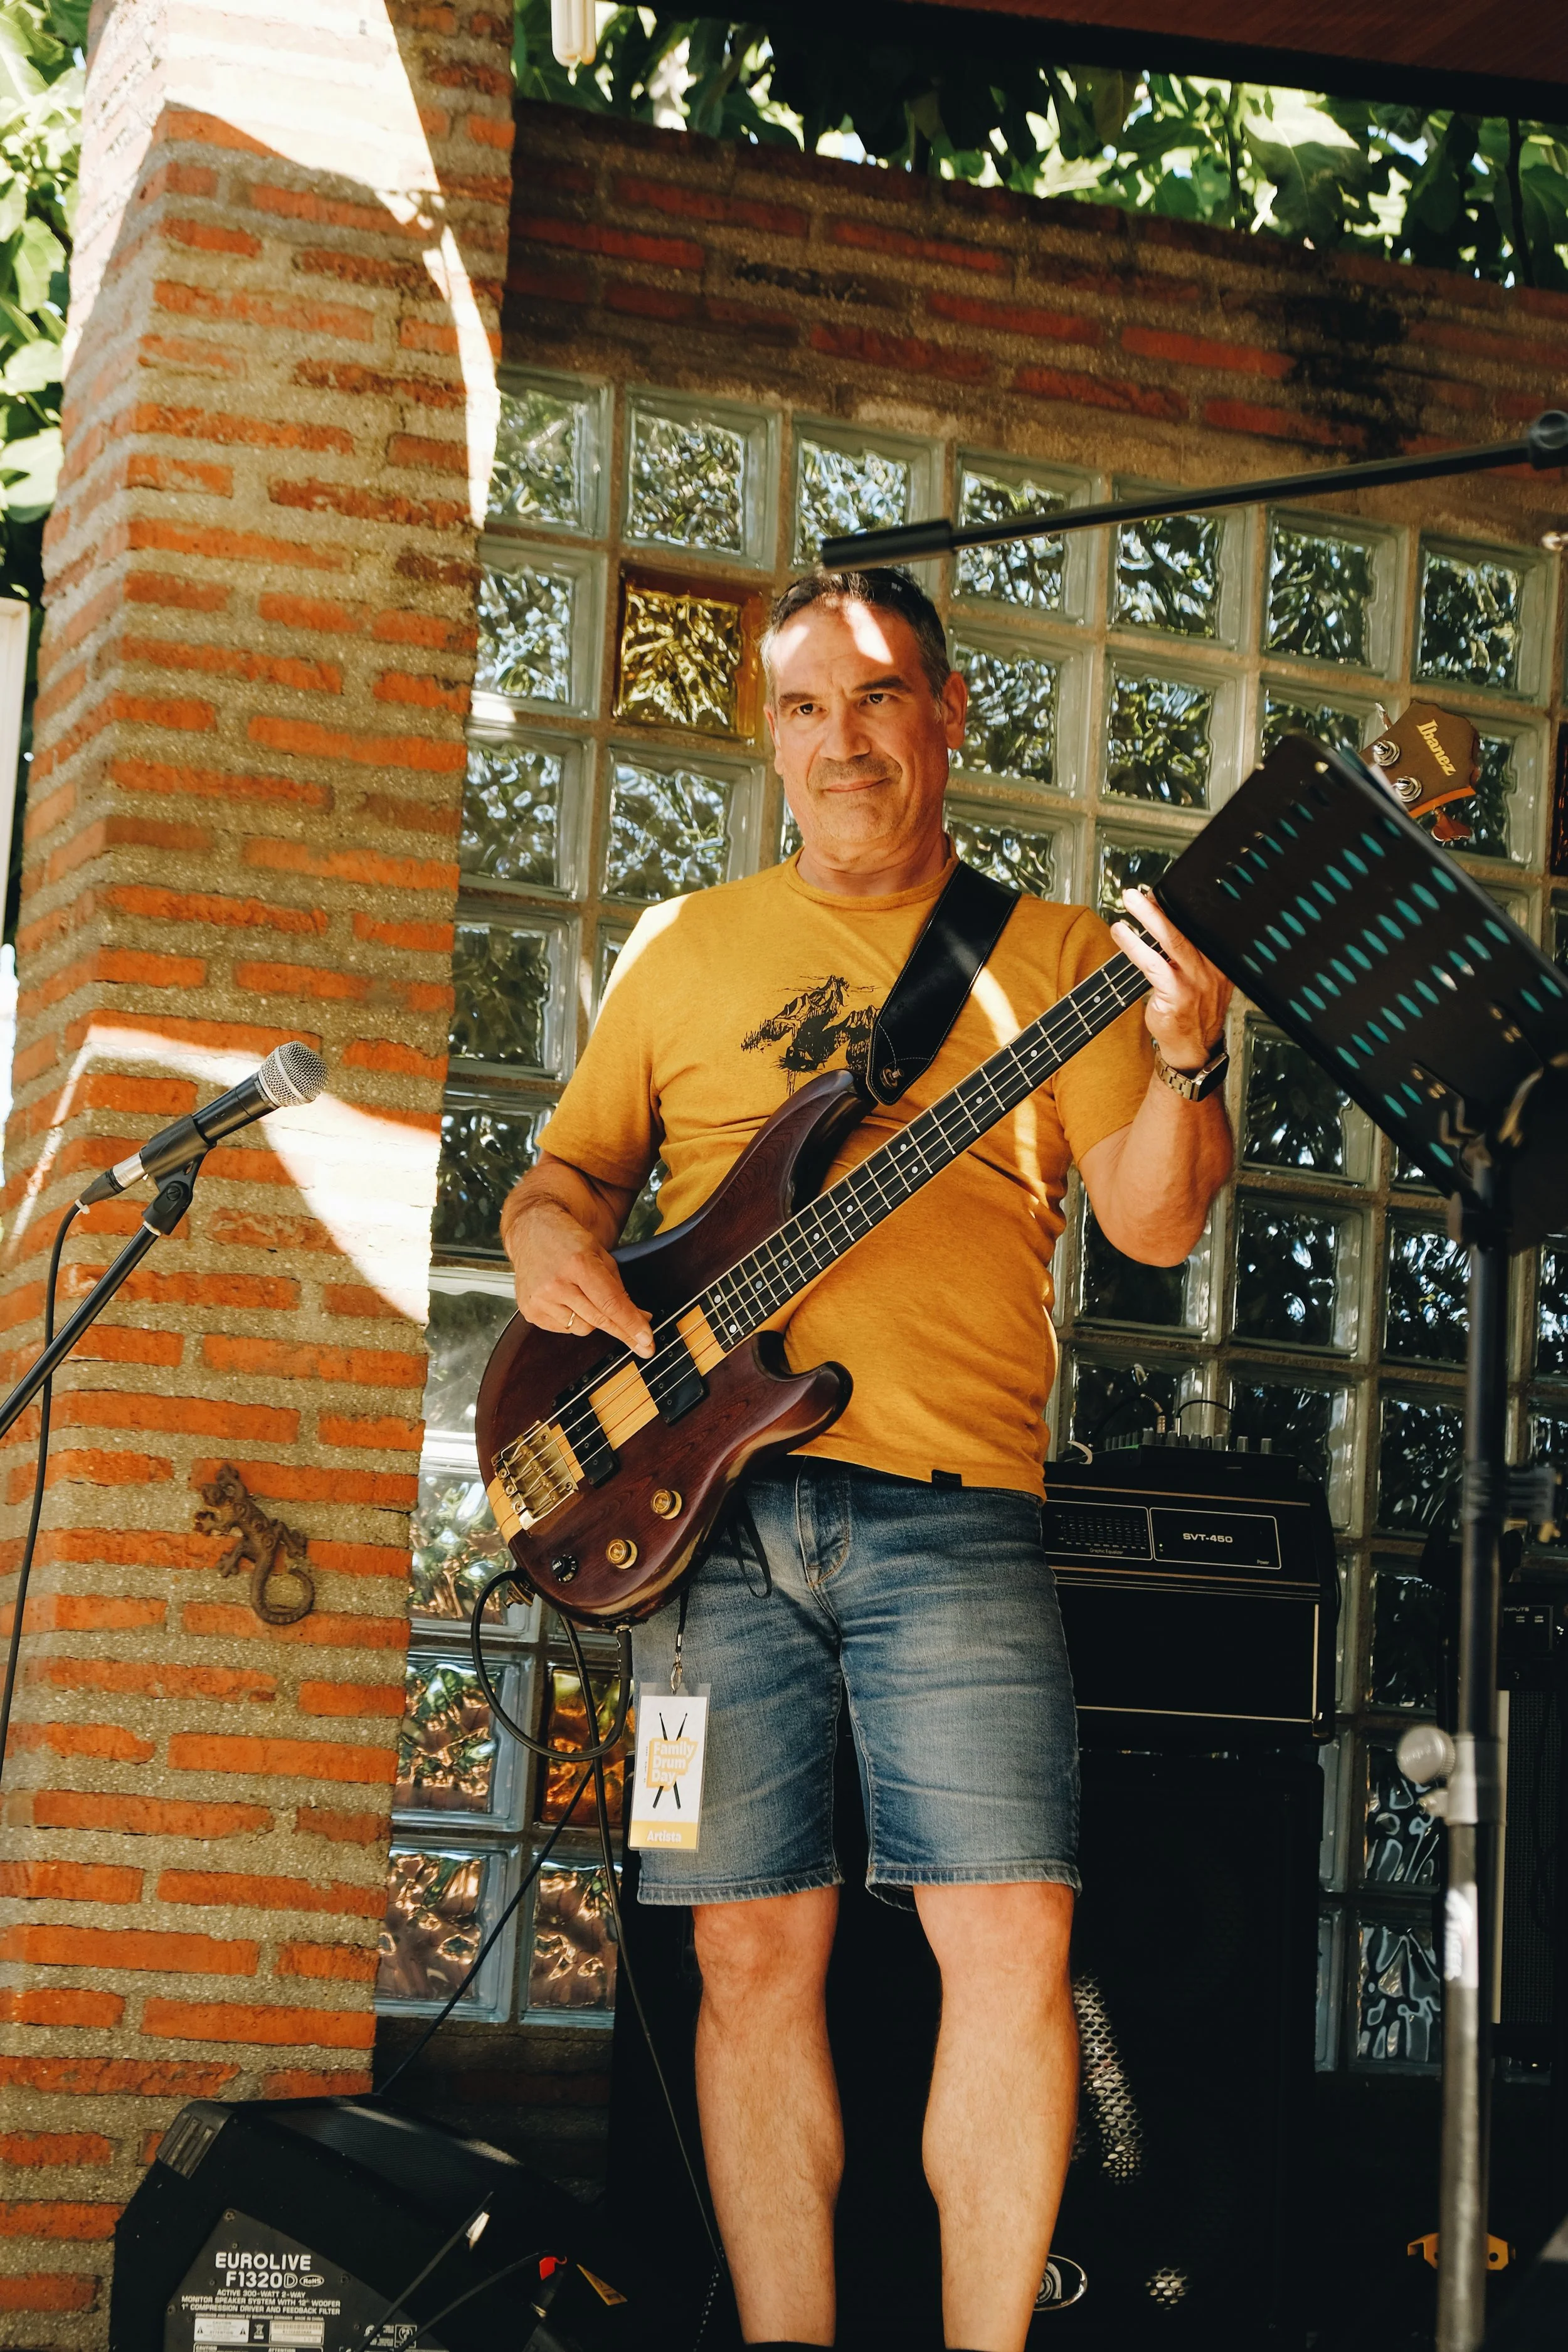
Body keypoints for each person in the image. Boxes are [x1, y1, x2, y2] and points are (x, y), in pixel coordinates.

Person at [501, 566, 1233, 2352]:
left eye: (882, 697)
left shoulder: (1060, 957)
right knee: (746, 1952)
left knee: (1008, 1934)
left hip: (951, 1513)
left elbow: (1146, 1229)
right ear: (773, 735)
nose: (845, 739)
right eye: (810, 707)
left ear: (947, 715)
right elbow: (569, 1177)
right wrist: (541, 1239)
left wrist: (1189, 1057)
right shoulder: (684, 945)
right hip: (695, 1522)